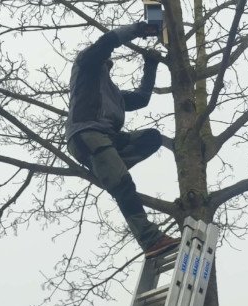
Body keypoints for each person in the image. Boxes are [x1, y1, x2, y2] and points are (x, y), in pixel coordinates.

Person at [65, 22, 179, 257]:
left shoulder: (111, 91)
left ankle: (110, 168)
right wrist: (141, 29)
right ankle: (150, 240)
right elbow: (107, 42)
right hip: (87, 135)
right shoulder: (86, 66)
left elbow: (141, 98)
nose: (108, 64)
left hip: (109, 140)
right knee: (123, 185)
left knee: (151, 138)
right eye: (105, 61)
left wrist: (151, 65)